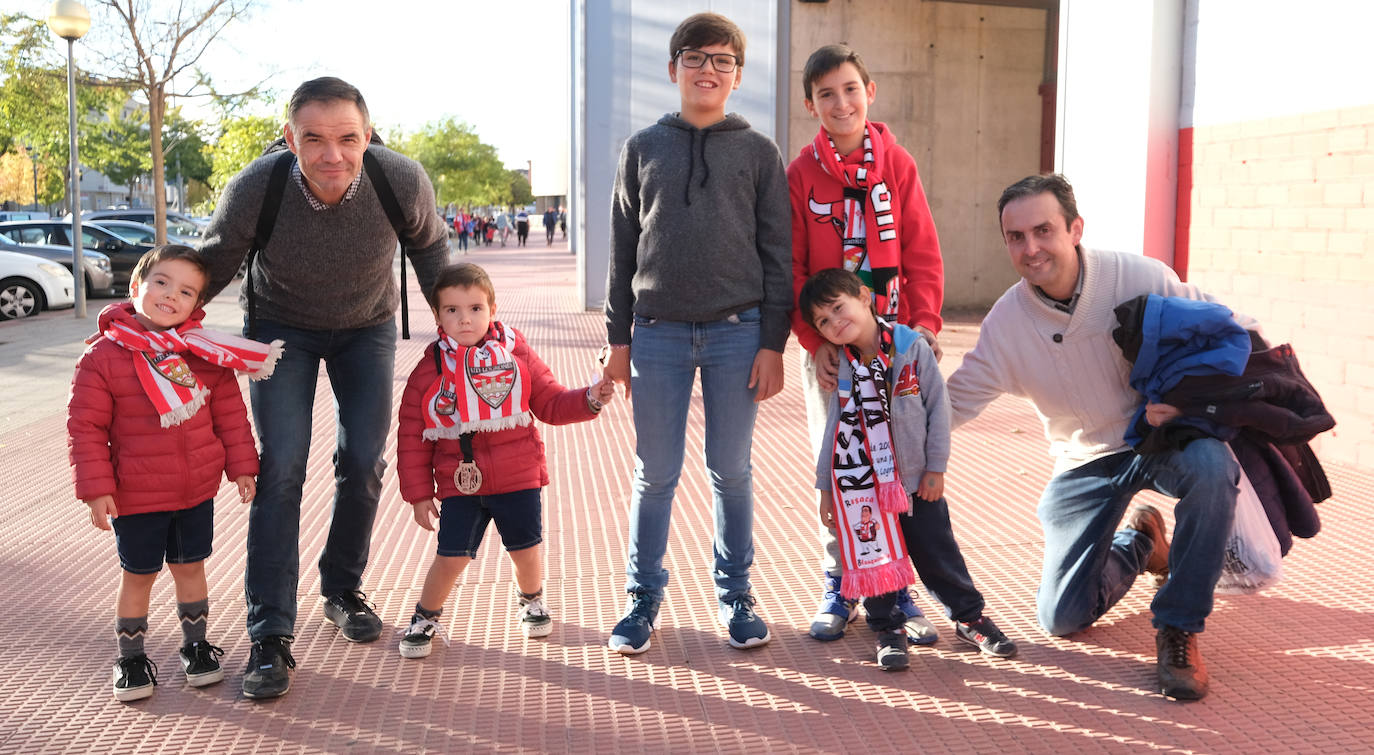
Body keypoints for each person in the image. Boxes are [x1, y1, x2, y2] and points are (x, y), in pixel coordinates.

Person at [946, 173, 1250, 701]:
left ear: (1075, 228)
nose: (1031, 248)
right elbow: (953, 404)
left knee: (1213, 468)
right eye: (1016, 237)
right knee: (1061, 617)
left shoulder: (1140, 277)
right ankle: (1142, 543)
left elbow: (1228, 333)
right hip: (1083, 458)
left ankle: (1179, 626)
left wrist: (1187, 401)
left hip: (1160, 438)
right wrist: (881, 415)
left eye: (1043, 230)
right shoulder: (1006, 323)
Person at [199, 76, 449, 700]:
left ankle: (340, 588)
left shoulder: (400, 179)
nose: (331, 154)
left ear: (367, 136)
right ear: (290, 138)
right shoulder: (258, 186)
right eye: (313, 138)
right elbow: (211, 264)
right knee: (280, 467)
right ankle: (269, 633)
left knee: (363, 460)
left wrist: (469, 332)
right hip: (281, 330)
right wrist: (152, 329)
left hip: (366, 328)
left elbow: (432, 251)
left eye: (346, 138)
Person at [602, 12, 791, 655]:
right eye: (695, 57)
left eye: (721, 60)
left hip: (738, 333)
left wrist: (773, 342)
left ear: (737, 76)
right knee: (655, 474)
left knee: (730, 470)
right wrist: (617, 343)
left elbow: (777, 255)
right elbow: (622, 253)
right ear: (673, 67)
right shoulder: (641, 148)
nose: (708, 69)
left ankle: (737, 597)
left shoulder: (759, 152)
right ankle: (642, 599)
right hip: (656, 333)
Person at [788, 44, 984, 649]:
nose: (840, 102)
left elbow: (922, 249)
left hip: (893, 344)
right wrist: (808, 338)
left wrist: (923, 327)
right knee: (844, 470)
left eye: (850, 89)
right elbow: (791, 268)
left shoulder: (896, 163)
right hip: (830, 350)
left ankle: (896, 592)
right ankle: (841, 585)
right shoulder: (799, 175)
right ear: (810, 104)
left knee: (899, 470)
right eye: (826, 94)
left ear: (869, 91)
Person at [67, 245, 281, 701]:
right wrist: (96, 490)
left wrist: (243, 466)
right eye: (161, 282)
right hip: (137, 494)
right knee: (138, 576)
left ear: (196, 305)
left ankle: (196, 648)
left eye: (185, 291)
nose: (170, 295)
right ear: (134, 287)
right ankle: (130, 658)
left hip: (194, 491)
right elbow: (85, 428)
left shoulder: (203, 353)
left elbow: (230, 415)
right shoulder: (103, 356)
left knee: (190, 569)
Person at [394, 263, 616, 657]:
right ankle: (426, 616)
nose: (465, 318)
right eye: (452, 310)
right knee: (451, 557)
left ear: (492, 310)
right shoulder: (429, 371)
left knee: (526, 550)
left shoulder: (516, 354)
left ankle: (531, 600)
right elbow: (412, 435)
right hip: (459, 483)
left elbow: (549, 400)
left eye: (475, 308)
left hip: (518, 477)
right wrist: (418, 494)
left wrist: (590, 398)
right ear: (437, 315)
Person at [801, 268, 1018, 670]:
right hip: (862, 491)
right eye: (823, 322)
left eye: (837, 308)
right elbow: (834, 429)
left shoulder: (909, 347)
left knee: (938, 554)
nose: (834, 322)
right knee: (876, 561)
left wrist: (936, 467)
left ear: (864, 297)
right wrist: (825, 489)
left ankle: (970, 618)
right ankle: (888, 629)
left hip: (917, 483)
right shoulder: (844, 364)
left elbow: (939, 408)